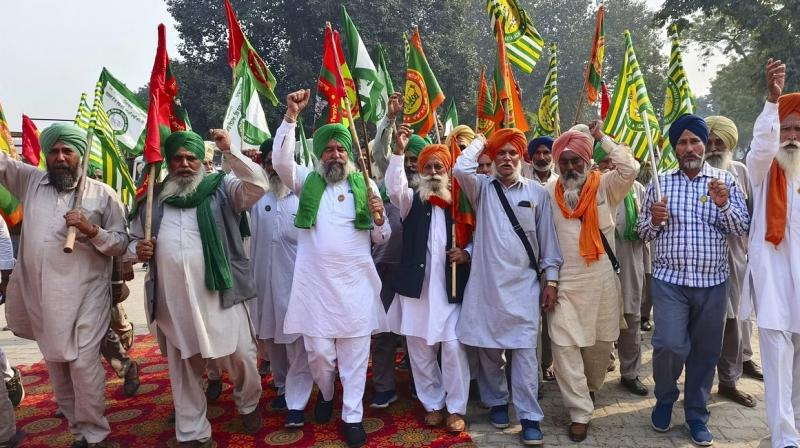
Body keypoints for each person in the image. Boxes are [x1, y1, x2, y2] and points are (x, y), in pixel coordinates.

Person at [131, 129, 266, 447]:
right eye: (177, 158)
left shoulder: (222, 188)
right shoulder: (154, 197)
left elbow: (258, 185)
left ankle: (248, 403)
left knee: (243, 357)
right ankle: (193, 431)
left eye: (191, 157)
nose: (185, 164)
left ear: (201, 161)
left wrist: (230, 152)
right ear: (168, 161)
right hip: (173, 301)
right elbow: (133, 239)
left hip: (222, 295)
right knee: (184, 368)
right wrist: (139, 249)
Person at [273, 90, 390, 448]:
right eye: (329, 149)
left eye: (341, 149)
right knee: (320, 356)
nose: (336, 154)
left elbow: (381, 237)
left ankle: (352, 416)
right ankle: (326, 393)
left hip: (355, 286)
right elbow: (281, 162)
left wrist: (380, 219)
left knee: (355, 358)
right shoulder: (307, 181)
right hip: (316, 290)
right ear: (320, 155)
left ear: (349, 154)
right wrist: (291, 116)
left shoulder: (365, 184)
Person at [1, 123, 128, 448]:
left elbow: (120, 243)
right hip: (42, 299)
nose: (59, 157)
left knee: (84, 368)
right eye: (54, 151)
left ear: (79, 155)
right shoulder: (32, 181)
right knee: (58, 368)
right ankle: (79, 432)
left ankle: (96, 434)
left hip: (86, 298)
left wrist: (89, 229)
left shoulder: (102, 194)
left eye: (66, 151)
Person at [637, 114, 749, 446]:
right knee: (670, 344)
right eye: (682, 142)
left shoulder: (723, 181)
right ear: (674, 148)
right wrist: (654, 221)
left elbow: (741, 227)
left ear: (704, 143)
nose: (689, 148)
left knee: (705, 352)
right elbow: (642, 233)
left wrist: (724, 204)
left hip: (713, 282)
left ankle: (697, 415)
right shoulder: (661, 183)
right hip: (669, 280)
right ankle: (665, 398)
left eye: (694, 141)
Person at [453, 128, 562, 445]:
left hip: (524, 289)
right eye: (500, 153)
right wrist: (482, 142)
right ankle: (498, 403)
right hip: (486, 289)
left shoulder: (537, 194)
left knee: (526, 355)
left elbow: (549, 246)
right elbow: (461, 167)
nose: (506, 159)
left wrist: (550, 281)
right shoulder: (482, 189)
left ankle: (529, 416)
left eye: (512, 153)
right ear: (493, 157)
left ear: (521, 157)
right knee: (489, 352)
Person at [547, 125, 639, 441]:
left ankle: (589, 389)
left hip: (601, 281)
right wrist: (549, 280)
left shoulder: (606, 187)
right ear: (558, 164)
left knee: (599, 347)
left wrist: (602, 139)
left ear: (588, 162)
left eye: (577, 161)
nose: (570, 167)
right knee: (563, 345)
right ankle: (579, 412)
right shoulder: (549, 190)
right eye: (565, 161)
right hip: (565, 284)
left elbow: (631, 167)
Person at [386, 132, 471, 432]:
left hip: (450, 291)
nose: (433, 173)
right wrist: (398, 152)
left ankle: (456, 407)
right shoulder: (411, 201)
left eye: (439, 168)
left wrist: (467, 252)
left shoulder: (458, 204)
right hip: (417, 292)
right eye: (428, 168)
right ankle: (433, 404)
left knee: (452, 348)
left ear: (448, 172)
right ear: (419, 172)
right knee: (420, 352)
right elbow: (394, 187)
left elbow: (475, 236)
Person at [740, 59, 800, 448]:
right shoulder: (762, 170)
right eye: (787, 129)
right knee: (777, 358)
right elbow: (762, 145)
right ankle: (784, 439)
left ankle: (795, 425)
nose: (792, 136)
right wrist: (772, 101)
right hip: (775, 281)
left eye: (798, 129)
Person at [248, 137, 314, 427]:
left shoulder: (303, 197)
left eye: (279, 163)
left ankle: (297, 398)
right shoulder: (254, 197)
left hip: (296, 285)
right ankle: (284, 386)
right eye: (269, 163)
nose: (274, 169)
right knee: (272, 339)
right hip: (262, 283)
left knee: (296, 343)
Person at [703, 115, 758, 408]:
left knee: (734, 325)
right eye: (708, 142)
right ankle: (699, 385)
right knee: (704, 326)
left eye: (718, 142)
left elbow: (753, 217)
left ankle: (728, 382)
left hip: (734, 262)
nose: (712, 148)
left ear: (729, 144)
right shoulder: (693, 173)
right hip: (701, 266)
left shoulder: (740, 172)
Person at [593, 143, 650, 397]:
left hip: (630, 263)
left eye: (616, 161)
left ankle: (630, 374)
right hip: (600, 266)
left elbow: (648, 230)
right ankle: (601, 366)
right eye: (606, 162)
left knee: (631, 320)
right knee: (601, 321)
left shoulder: (638, 189)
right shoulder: (595, 188)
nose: (612, 166)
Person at [368, 92, 406, 409]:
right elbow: (382, 150)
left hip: (416, 269)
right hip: (380, 269)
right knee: (381, 331)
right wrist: (389, 118)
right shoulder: (377, 183)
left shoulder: (427, 183)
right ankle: (383, 385)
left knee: (419, 331)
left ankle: (426, 383)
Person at [99, 258, 140, 397]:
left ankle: (127, 368)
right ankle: (69, 397)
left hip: (95, 281)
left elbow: (115, 242)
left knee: (99, 331)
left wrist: (118, 280)